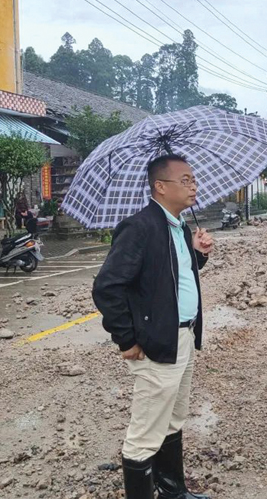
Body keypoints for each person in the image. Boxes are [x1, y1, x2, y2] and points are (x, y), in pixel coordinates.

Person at [92, 154, 214, 499]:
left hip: (184, 336)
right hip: (157, 341)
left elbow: (169, 277)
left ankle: (173, 491)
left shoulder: (179, 227)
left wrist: (199, 254)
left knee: (173, 419)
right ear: (160, 186)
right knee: (145, 434)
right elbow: (107, 287)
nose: (194, 186)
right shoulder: (140, 228)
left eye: (194, 180)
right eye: (185, 180)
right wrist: (126, 339)